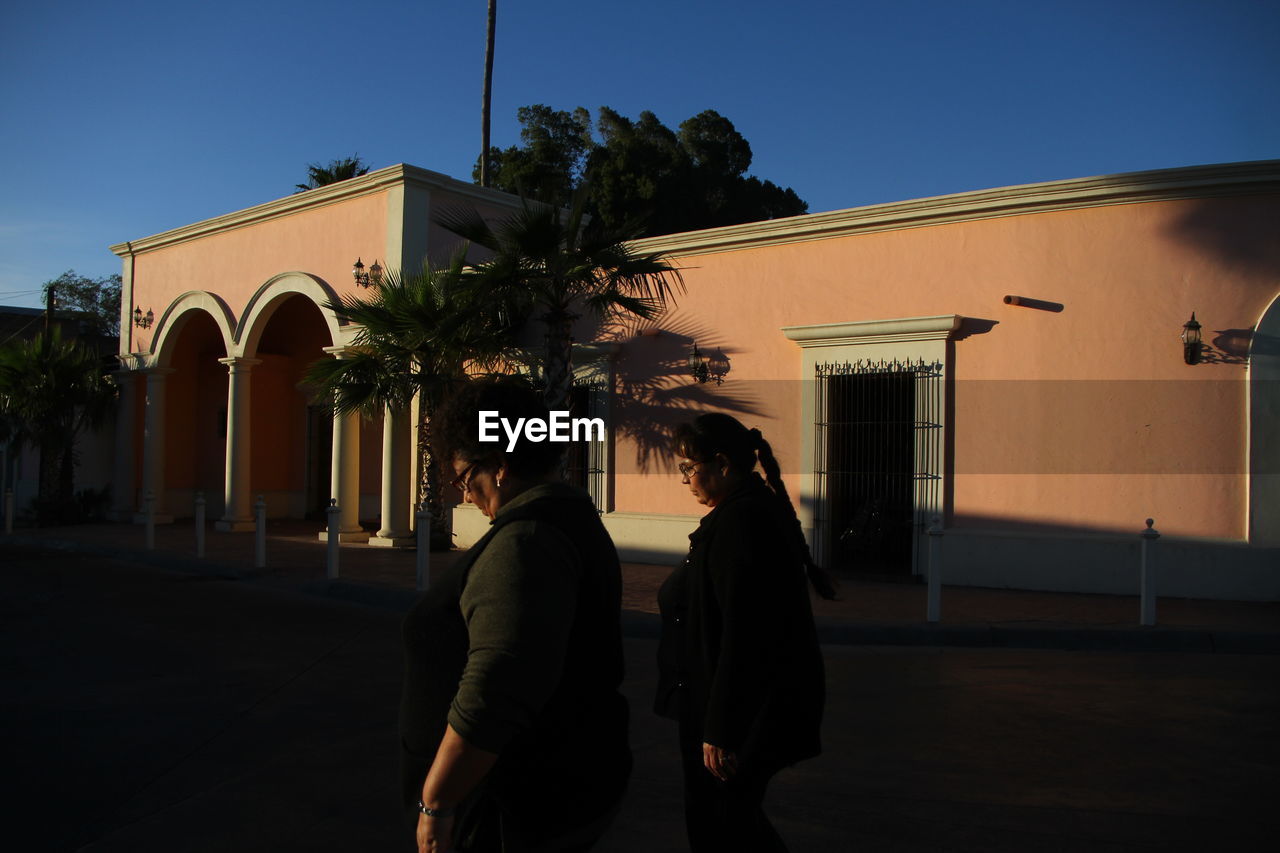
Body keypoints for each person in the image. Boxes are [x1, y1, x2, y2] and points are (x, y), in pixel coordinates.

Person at [399, 378, 631, 852]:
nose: (465, 495)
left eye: (466, 478)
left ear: (499, 465)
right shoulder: (571, 518)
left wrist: (436, 803)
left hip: (517, 804)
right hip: (567, 786)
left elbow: (495, 688)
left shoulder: (526, 542)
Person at [656, 413, 834, 852]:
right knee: (732, 820)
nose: (685, 480)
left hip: (739, 715)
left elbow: (747, 634)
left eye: (688, 468)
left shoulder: (742, 524)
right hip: (733, 708)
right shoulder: (741, 515)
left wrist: (722, 728)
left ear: (721, 464)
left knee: (725, 825)